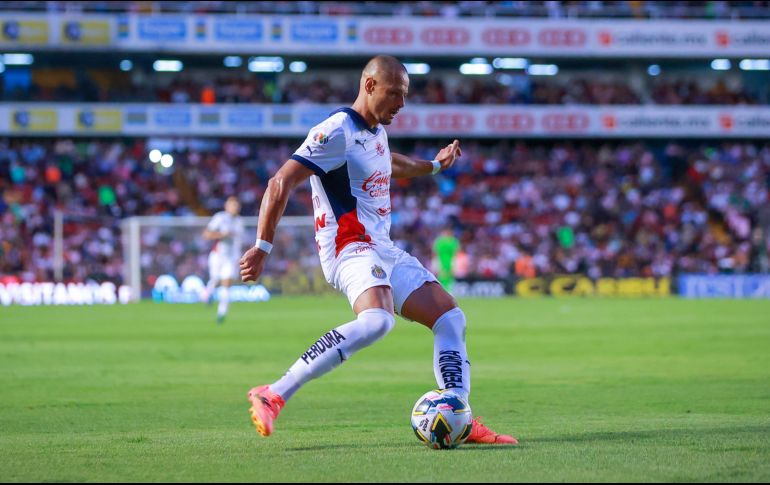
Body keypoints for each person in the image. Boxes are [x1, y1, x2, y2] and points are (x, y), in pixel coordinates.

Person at [239, 55, 517, 445]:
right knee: (377, 321)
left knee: (450, 318)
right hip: (348, 247)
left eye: (405, 96)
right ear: (369, 86)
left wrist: (434, 167)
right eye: (395, 94)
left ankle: (457, 414)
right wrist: (261, 246)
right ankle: (273, 393)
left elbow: (388, 164)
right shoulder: (335, 130)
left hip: (381, 247)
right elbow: (280, 182)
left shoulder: (374, 131)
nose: (401, 104)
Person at [202, 196, 244, 324]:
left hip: (232, 258)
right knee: (215, 280)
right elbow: (206, 234)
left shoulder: (240, 222)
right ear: (226, 206)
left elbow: (240, 241)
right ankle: (207, 294)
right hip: (217, 256)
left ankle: (221, 314)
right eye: (232, 205)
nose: (234, 208)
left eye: (236, 205)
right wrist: (222, 235)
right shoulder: (220, 218)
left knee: (226, 284)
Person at [433, 228, 461, 292]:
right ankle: (447, 291)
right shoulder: (453, 241)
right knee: (446, 276)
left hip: (446, 261)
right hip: (446, 261)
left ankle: (445, 291)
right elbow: (457, 252)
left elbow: (435, 252)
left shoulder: (440, 241)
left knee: (444, 276)